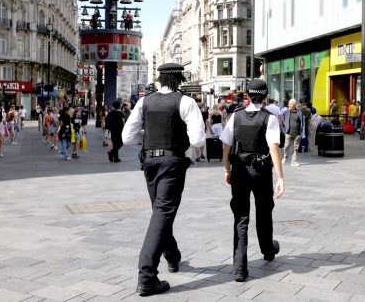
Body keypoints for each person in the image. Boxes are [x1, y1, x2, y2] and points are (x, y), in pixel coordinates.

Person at [122, 63, 205, 297]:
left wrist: (149, 137)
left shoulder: (144, 101)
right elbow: (198, 140)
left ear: (160, 79)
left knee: (160, 211)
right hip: (172, 163)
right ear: (179, 79)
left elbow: (127, 137)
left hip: (149, 163)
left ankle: (173, 256)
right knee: (162, 213)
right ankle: (146, 276)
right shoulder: (186, 102)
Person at [219, 79, 284, 282]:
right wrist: (280, 177)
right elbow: (274, 147)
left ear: (247, 95)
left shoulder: (235, 116)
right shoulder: (269, 118)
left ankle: (240, 268)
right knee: (264, 212)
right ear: (265, 96)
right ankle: (267, 250)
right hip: (262, 171)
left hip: (239, 169)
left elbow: (226, 146)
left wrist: (227, 168)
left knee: (241, 217)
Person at [282, 99, 306, 166]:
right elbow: (282, 118)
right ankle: (285, 157)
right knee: (286, 147)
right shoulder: (286, 112)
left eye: (290, 104)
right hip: (288, 133)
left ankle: (293, 161)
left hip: (297, 134)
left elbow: (303, 123)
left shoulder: (299, 113)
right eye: (289, 104)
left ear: (294, 105)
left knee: (295, 149)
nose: (288, 105)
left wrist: (302, 133)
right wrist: (285, 127)